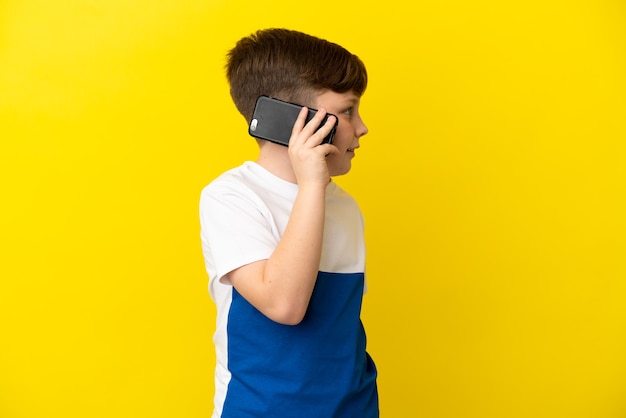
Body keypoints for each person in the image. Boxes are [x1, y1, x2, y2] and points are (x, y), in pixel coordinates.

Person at [199, 28, 378, 418]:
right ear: (294, 121)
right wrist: (312, 184)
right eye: (347, 110)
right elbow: (285, 305)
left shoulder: (345, 207)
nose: (362, 127)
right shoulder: (232, 197)